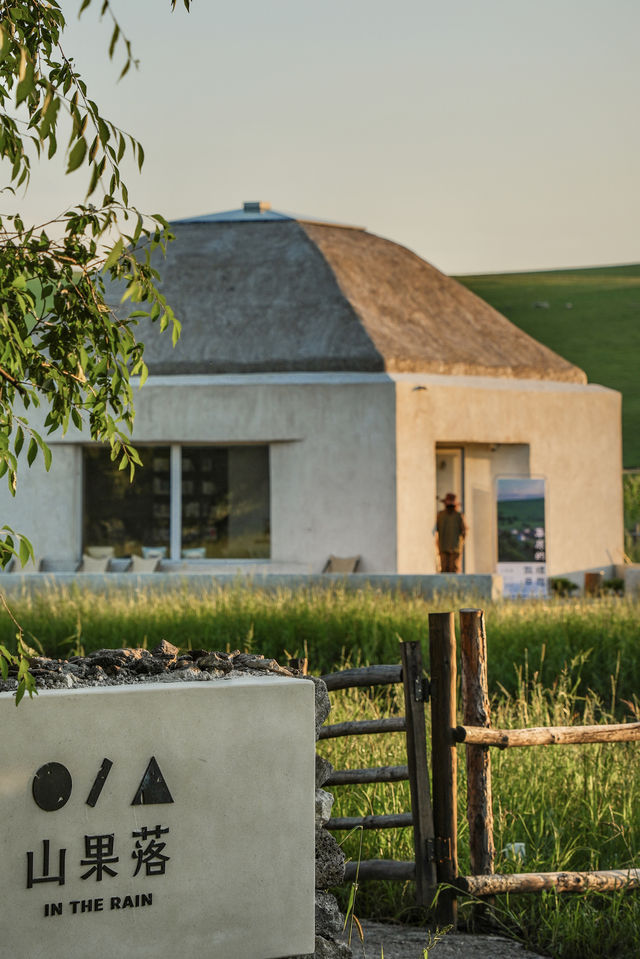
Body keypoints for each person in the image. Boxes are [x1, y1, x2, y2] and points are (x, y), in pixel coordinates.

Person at [436, 492, 467, 573]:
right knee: (445, 569)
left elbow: (464, 531)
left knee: (453, 569)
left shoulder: (458, 516)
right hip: (444, 547)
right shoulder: (440, 515)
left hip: (454, 548)